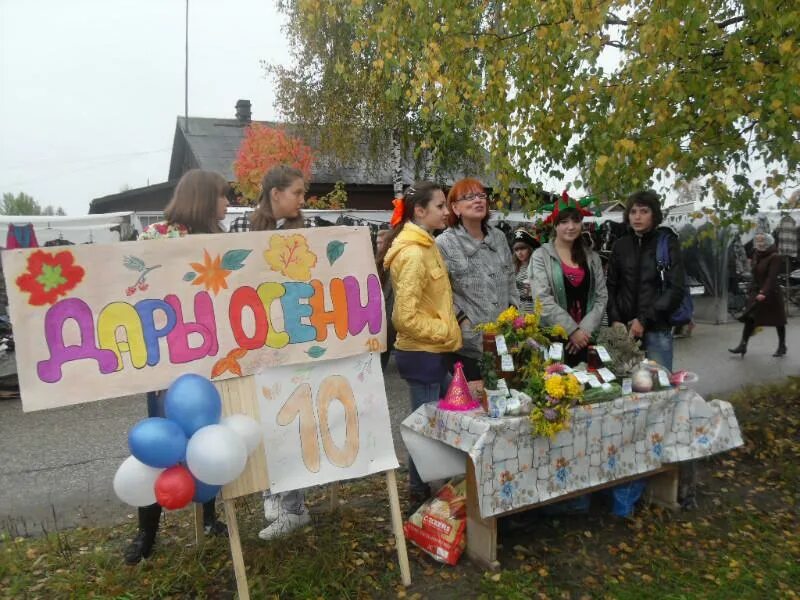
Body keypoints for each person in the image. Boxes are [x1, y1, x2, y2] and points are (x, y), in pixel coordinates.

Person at [124, 169, 230, 565]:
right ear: (203, 198)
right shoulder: (155, 238)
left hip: (212, 359)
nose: (225, 203)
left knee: (209, 437)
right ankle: (146, 533)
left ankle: (210, 518)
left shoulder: (221, 240)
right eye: (221, 196)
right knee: (162, 443)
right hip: (166, 361)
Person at [231, 164, 314, 540]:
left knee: (291, 420)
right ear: (275, 193)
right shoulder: (246, 231)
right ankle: (273, 492)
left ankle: (294, 506)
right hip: (255, 343)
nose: (302, 199)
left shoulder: (304, 232)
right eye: (297, 192)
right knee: (263, 420)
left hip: (292, 341)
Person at [380, 182, 462, 508]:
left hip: (431, 350)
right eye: (441, 206)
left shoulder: (426, 244)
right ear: (420, 211)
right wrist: (445, 330)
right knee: (425, 429)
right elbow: (405, 316)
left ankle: (425, 489)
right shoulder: (414, 252)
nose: (447, 211)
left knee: (433, 423)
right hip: (422, 352)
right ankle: (419, 494)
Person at [436, 178, 519, 380]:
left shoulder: (498, 238)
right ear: (455, 207)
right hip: (467, 347)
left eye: (481, 195)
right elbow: (439, 294)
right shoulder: (444, 243)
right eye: (469, 197)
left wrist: (515, 317)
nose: (478, 200)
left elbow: (510, 280)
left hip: (504, 341)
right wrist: (464, 322)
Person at [606, 190, 685, 371]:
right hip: (624, 331)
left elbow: (675, 289)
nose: (637, 217)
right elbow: (611, 286)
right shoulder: (620, 245)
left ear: (654, 214)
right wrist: (615, 319)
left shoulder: (667, 243)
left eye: (644, 211)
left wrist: (643, 320)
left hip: (656, 329)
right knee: (626, 387)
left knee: (660, 386)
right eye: (633, 212)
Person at [529, 203, 608, 366]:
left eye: (576, 221)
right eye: (564, 221)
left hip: (586, 339)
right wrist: (572, 330)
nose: (571, 227)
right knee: (555, 387)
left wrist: (583, 331)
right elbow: (542, 299)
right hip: (553, 339)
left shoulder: (592, 258)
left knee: (589, 386)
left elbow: (601, 297)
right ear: (555, 224)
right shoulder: (541, 256)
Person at [729, 232, 787, 357]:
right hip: (756, 290)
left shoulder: (775, 257)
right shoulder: (756, 254)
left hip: (771, 293)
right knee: (750, 317)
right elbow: (754, 273)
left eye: (762, 241)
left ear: (768, 242)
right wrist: (751, 289)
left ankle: (782, 346)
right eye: (758, 241)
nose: (760, 244)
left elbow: (771, 278)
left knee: (778, 321)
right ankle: (742, 345)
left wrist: (763, 292)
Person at [376, 229, 397, 370]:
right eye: (377, 243)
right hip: (379, 309)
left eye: (381, 243)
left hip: (390, 310)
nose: (378, 246)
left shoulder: (393, 262)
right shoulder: (376, 261)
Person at [512, 229, 539, 314]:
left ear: (529, 248)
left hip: (535, 311)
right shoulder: (514, 267)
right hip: (519, 312)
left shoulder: (537, 265)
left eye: (522, 248)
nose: (519, 252)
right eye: (516, 250)